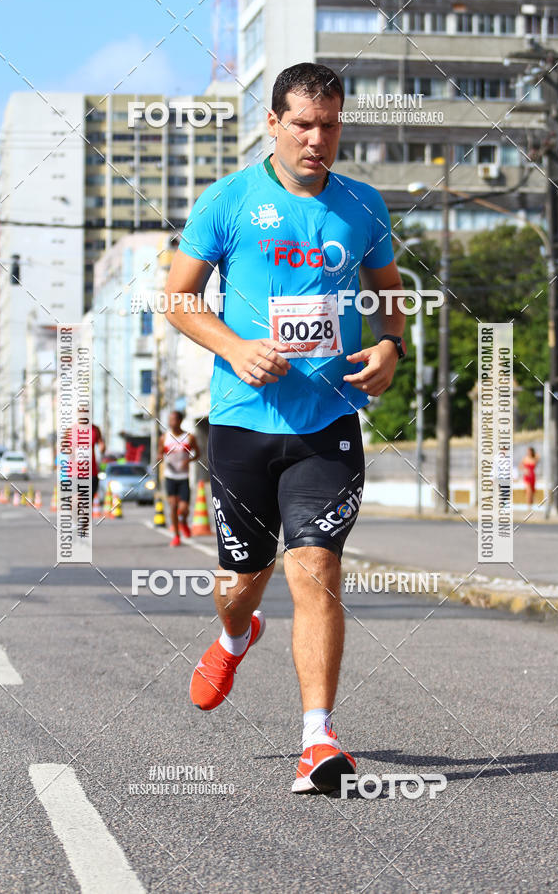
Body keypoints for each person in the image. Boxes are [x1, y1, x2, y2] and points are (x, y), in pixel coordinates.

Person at [165, 63, 405, 794]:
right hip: (241, 425)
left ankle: (318, 738)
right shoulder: (228, 201)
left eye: (330, 125)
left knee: (317, 568)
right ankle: (237, 635)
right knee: (242, 581)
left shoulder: (363, 208)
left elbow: (389, 303)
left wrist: (391, 348)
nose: (317, 139)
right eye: (302, 123)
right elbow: (177, 299)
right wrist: (235, 348)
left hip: (326, 424)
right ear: (272, 124)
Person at [158, 410, 199, 546]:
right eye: (170, 420)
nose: (172, 422)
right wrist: (161, 458)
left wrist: (188, 461)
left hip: (183, 477)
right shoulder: (164, 437)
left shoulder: (189, 437)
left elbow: (198, 453)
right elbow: (159, 455)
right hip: (170, 476)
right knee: (173, 506)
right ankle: (176, 535)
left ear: (180, 421)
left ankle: (183, 522)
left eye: (174, 419)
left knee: (184, 508)